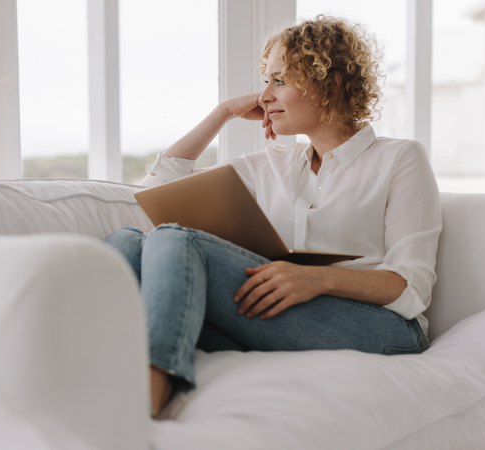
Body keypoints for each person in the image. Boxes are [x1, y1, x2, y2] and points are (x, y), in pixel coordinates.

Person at [104, 15, 441, 418]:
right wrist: (224, 112)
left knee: (176, 239)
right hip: (283, 315)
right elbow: (154, 190)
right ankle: (96, 376)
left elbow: (412, 287)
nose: (263, 95)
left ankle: (144, 409)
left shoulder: (400, 157)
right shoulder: (274, 162)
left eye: (279, 81)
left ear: (329, 84)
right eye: (265, 80)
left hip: (381, 327)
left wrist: (315, 278)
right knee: (128, 242)